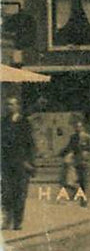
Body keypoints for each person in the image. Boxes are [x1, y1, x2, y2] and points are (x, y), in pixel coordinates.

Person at [2, 96, 36, 230]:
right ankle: (7, 220)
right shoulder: (3, 122)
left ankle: (18, 222)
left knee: (20, 194)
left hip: (21, 164)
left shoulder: (24, 123)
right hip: (6, 164)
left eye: (12, 104)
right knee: (6, 193)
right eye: (8, 105)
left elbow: (30, 144)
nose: (9, 107)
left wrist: (30, 162)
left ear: (17, 107)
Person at [60, 118, 90, 207]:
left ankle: (84, 200)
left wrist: (89, 158)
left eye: (79, 126)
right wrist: (61, 153)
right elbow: (69, 147)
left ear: (82, 127)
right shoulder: (73, 137)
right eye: (76, 127)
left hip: (85, 162)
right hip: (76, 162)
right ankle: (81, 198)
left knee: (84, 181)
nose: (77, 128)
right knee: (77, 181)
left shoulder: (87, 137)